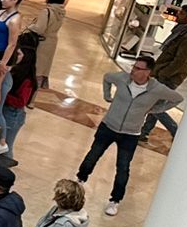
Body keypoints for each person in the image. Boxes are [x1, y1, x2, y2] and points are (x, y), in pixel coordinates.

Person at [75, 54, 180, 217]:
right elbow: (107, 78)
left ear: (148, 72)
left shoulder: (156, 89)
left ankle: (115, 200)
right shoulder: (122, 78)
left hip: (130, 134)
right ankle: (80, 181)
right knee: (92, 155)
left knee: (123, 168)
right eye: (134, 66)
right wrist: (107, 95)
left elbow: (177, 98)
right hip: (108, 126)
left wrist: (155, 110)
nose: (133, 70)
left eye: (138, 68)